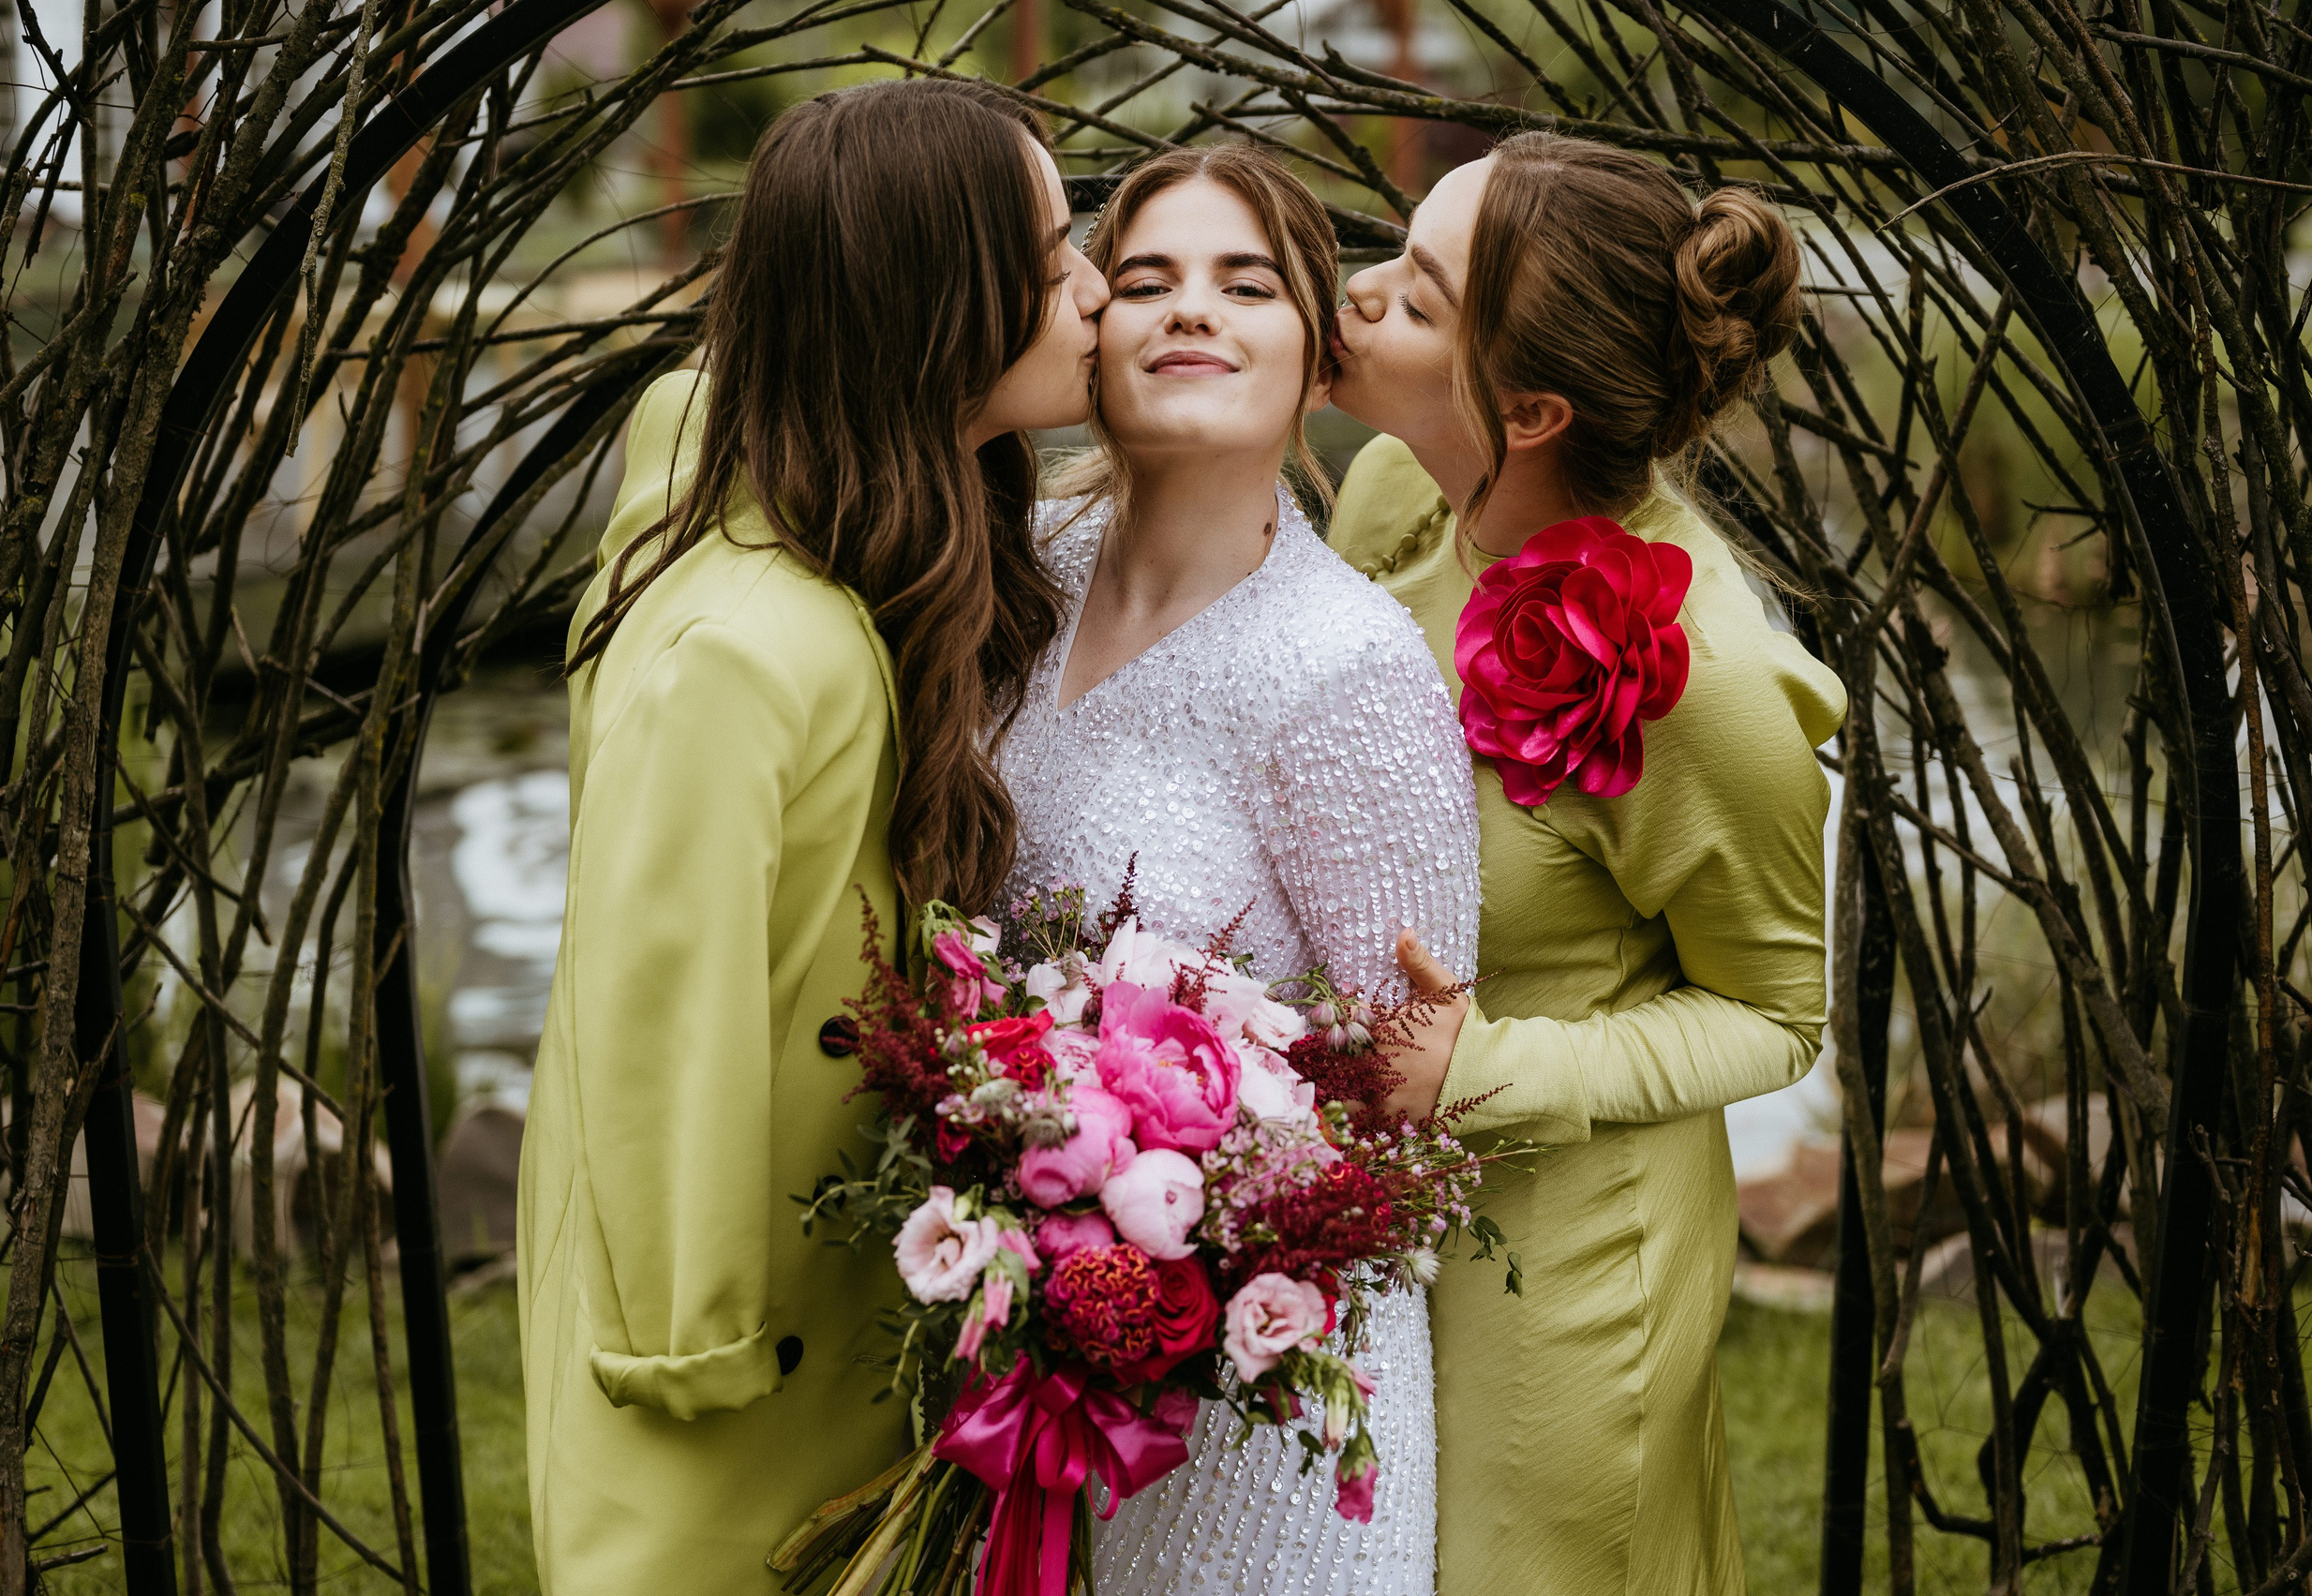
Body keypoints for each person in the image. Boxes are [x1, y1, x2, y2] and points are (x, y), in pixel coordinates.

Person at [517, 79, 1109, 1592]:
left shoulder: (856, 560)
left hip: (837, 1336)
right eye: (1057, 259)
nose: (1098, 292)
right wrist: (693, 1340)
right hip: (722, 1400)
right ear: (937, 297)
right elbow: (663, 1005)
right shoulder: (746, 644)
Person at [1322, 132, 1844, 1595]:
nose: (1357, 296)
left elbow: (1776, 1016)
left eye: (1417, 298)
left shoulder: (1700, 680)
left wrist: (1488, 1072)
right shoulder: (1394, 496)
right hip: (1373, 1226)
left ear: (1532, 409)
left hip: (1563, 1269)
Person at [993, 142, 1480, 1596]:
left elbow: (1410, 1099)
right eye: (1146, 280)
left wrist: (1188, 1230)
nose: (1191, 309)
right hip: (1021, 1343)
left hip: (1266, 1398)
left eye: (1247, 284)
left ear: (1317, 352)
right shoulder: (1017, 572)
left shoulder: (1350, 669)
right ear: (1093, 329)